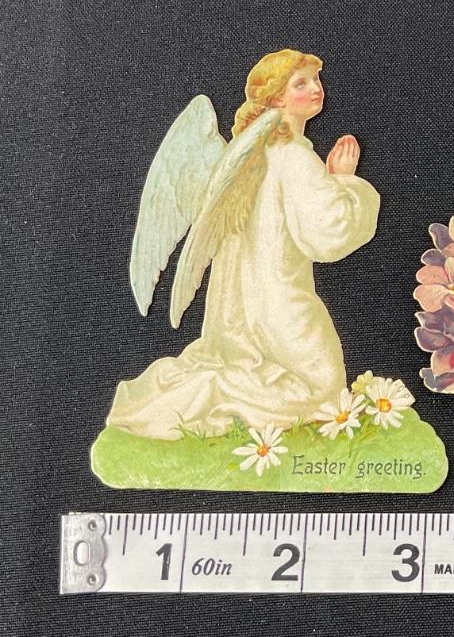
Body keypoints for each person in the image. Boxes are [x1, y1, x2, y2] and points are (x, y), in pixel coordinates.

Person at [106, 50, 379, 439]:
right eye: (300, 83)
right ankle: (211, 395)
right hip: (278, 295)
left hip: (241, 301)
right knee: (322, 388)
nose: (316, 89)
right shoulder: (291, 156)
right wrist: (345, 179)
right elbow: (327, 232)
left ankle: (211, 390)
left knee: (304, 383)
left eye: (316, 80)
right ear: (276, 97)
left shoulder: (253, 150)